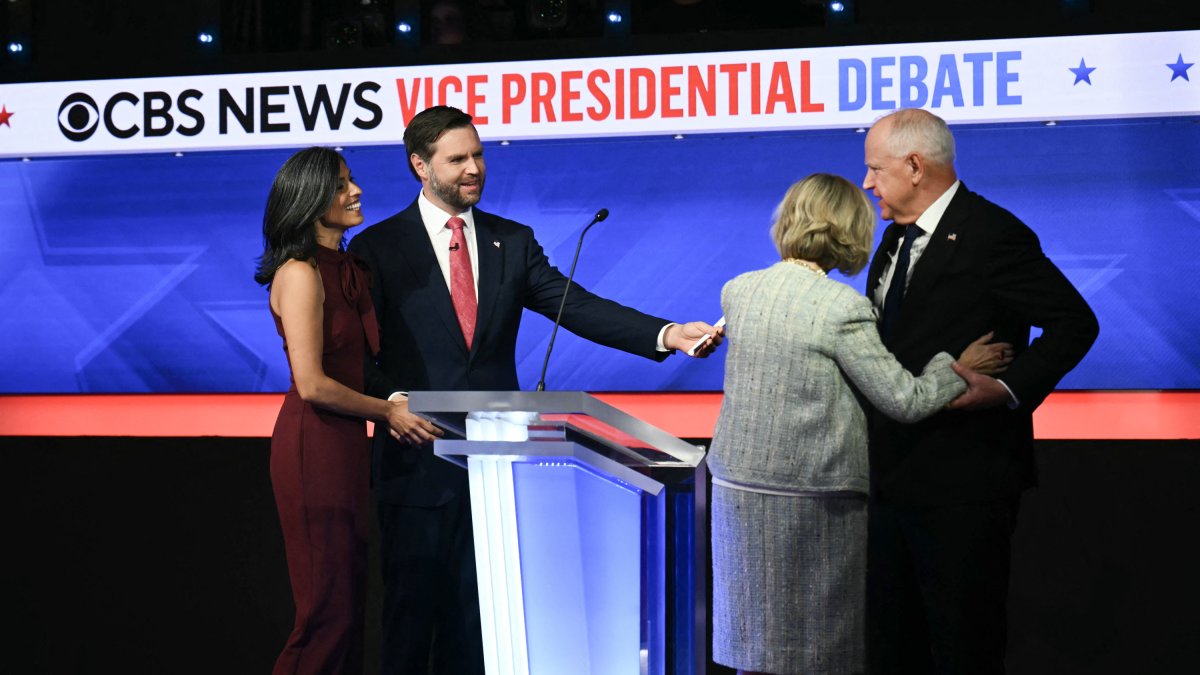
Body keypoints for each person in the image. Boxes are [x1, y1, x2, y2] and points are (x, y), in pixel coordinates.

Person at [346, 105, 724, 674]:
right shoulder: (375, 248)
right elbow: (359, 355)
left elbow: (577, 307)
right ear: (419, 166)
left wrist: (666, 334)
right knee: (408, 623)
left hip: (497, 469)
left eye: (478, 155)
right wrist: (392, 402)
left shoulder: (511, 242)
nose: (474, 168)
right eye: (458, 159)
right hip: (416, 462)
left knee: (480, 632)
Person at [707, 173, 1009, 675]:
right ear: (850, 232)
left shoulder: (738, 291)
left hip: (738, 490)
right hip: (813, 502)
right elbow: (906, 400)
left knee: (754, 644)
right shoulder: (843, 309)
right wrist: (956, 365)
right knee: (815, 650)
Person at [861, 108, 1100, 674]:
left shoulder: (994, 234)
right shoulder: (893, 239)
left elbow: (1074, 322)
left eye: (875, 169)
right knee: (893, 646)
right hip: (889, 479)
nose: (868, 183)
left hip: (965, 482)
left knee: (963, 644)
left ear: (915, 166)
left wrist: (1008, 388)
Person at [255, 147, 434, 674]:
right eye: (340, 185)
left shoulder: (347, 268)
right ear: (308, 200)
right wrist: (389, 412)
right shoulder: (301, 273)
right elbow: (312, 385)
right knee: (325, 613)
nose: (355, 191)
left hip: (346, 444)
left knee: (349, 607)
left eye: (351, 180)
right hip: (315, 446)